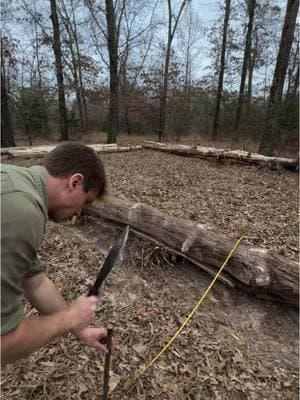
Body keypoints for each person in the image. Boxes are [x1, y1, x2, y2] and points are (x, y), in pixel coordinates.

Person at [1, 142, 109, 365]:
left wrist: (81, 329)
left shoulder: (14, 180)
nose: (79, 212)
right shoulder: (21, 212)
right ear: (75, 182)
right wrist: (69, 318)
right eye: (85, 202)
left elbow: (36, 282)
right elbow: (3, 344)